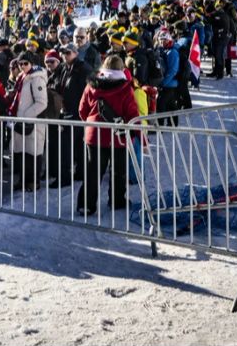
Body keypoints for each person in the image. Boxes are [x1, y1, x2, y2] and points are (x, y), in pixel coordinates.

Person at [77, 55, 140, 216]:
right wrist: (139, 135)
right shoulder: (126, 88)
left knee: (92, 171)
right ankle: (117, 201)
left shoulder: (91, 85)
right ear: (121, 69)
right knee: (118, 170)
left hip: (94, 133)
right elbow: (133, 115)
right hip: (118, 136)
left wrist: (91, 124)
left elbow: (82, 110)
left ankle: (86, 205)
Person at [50, 43, 92, 187]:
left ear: (75, 53)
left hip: (77, 112)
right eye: (62, 53)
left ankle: (66, 177)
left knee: (67, 146)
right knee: (72, 145)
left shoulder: (83, 68)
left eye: (67, 53)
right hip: (68, 111)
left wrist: (81, 110)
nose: (64, 55)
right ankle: (78, 172)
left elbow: (88, 92)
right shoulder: (64, 67)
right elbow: (58, 84)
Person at [9, 57, 48, 191]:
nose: (22, 65)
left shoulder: (36, 78)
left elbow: (42, 102)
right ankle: (23, 180)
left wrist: (26, 116)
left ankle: (33, 182)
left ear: (32, 63)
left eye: (25, 63)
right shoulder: (22, 78)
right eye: (20, 63)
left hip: (32, 122)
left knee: (33, 153)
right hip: (21, 122)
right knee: (21, 153)